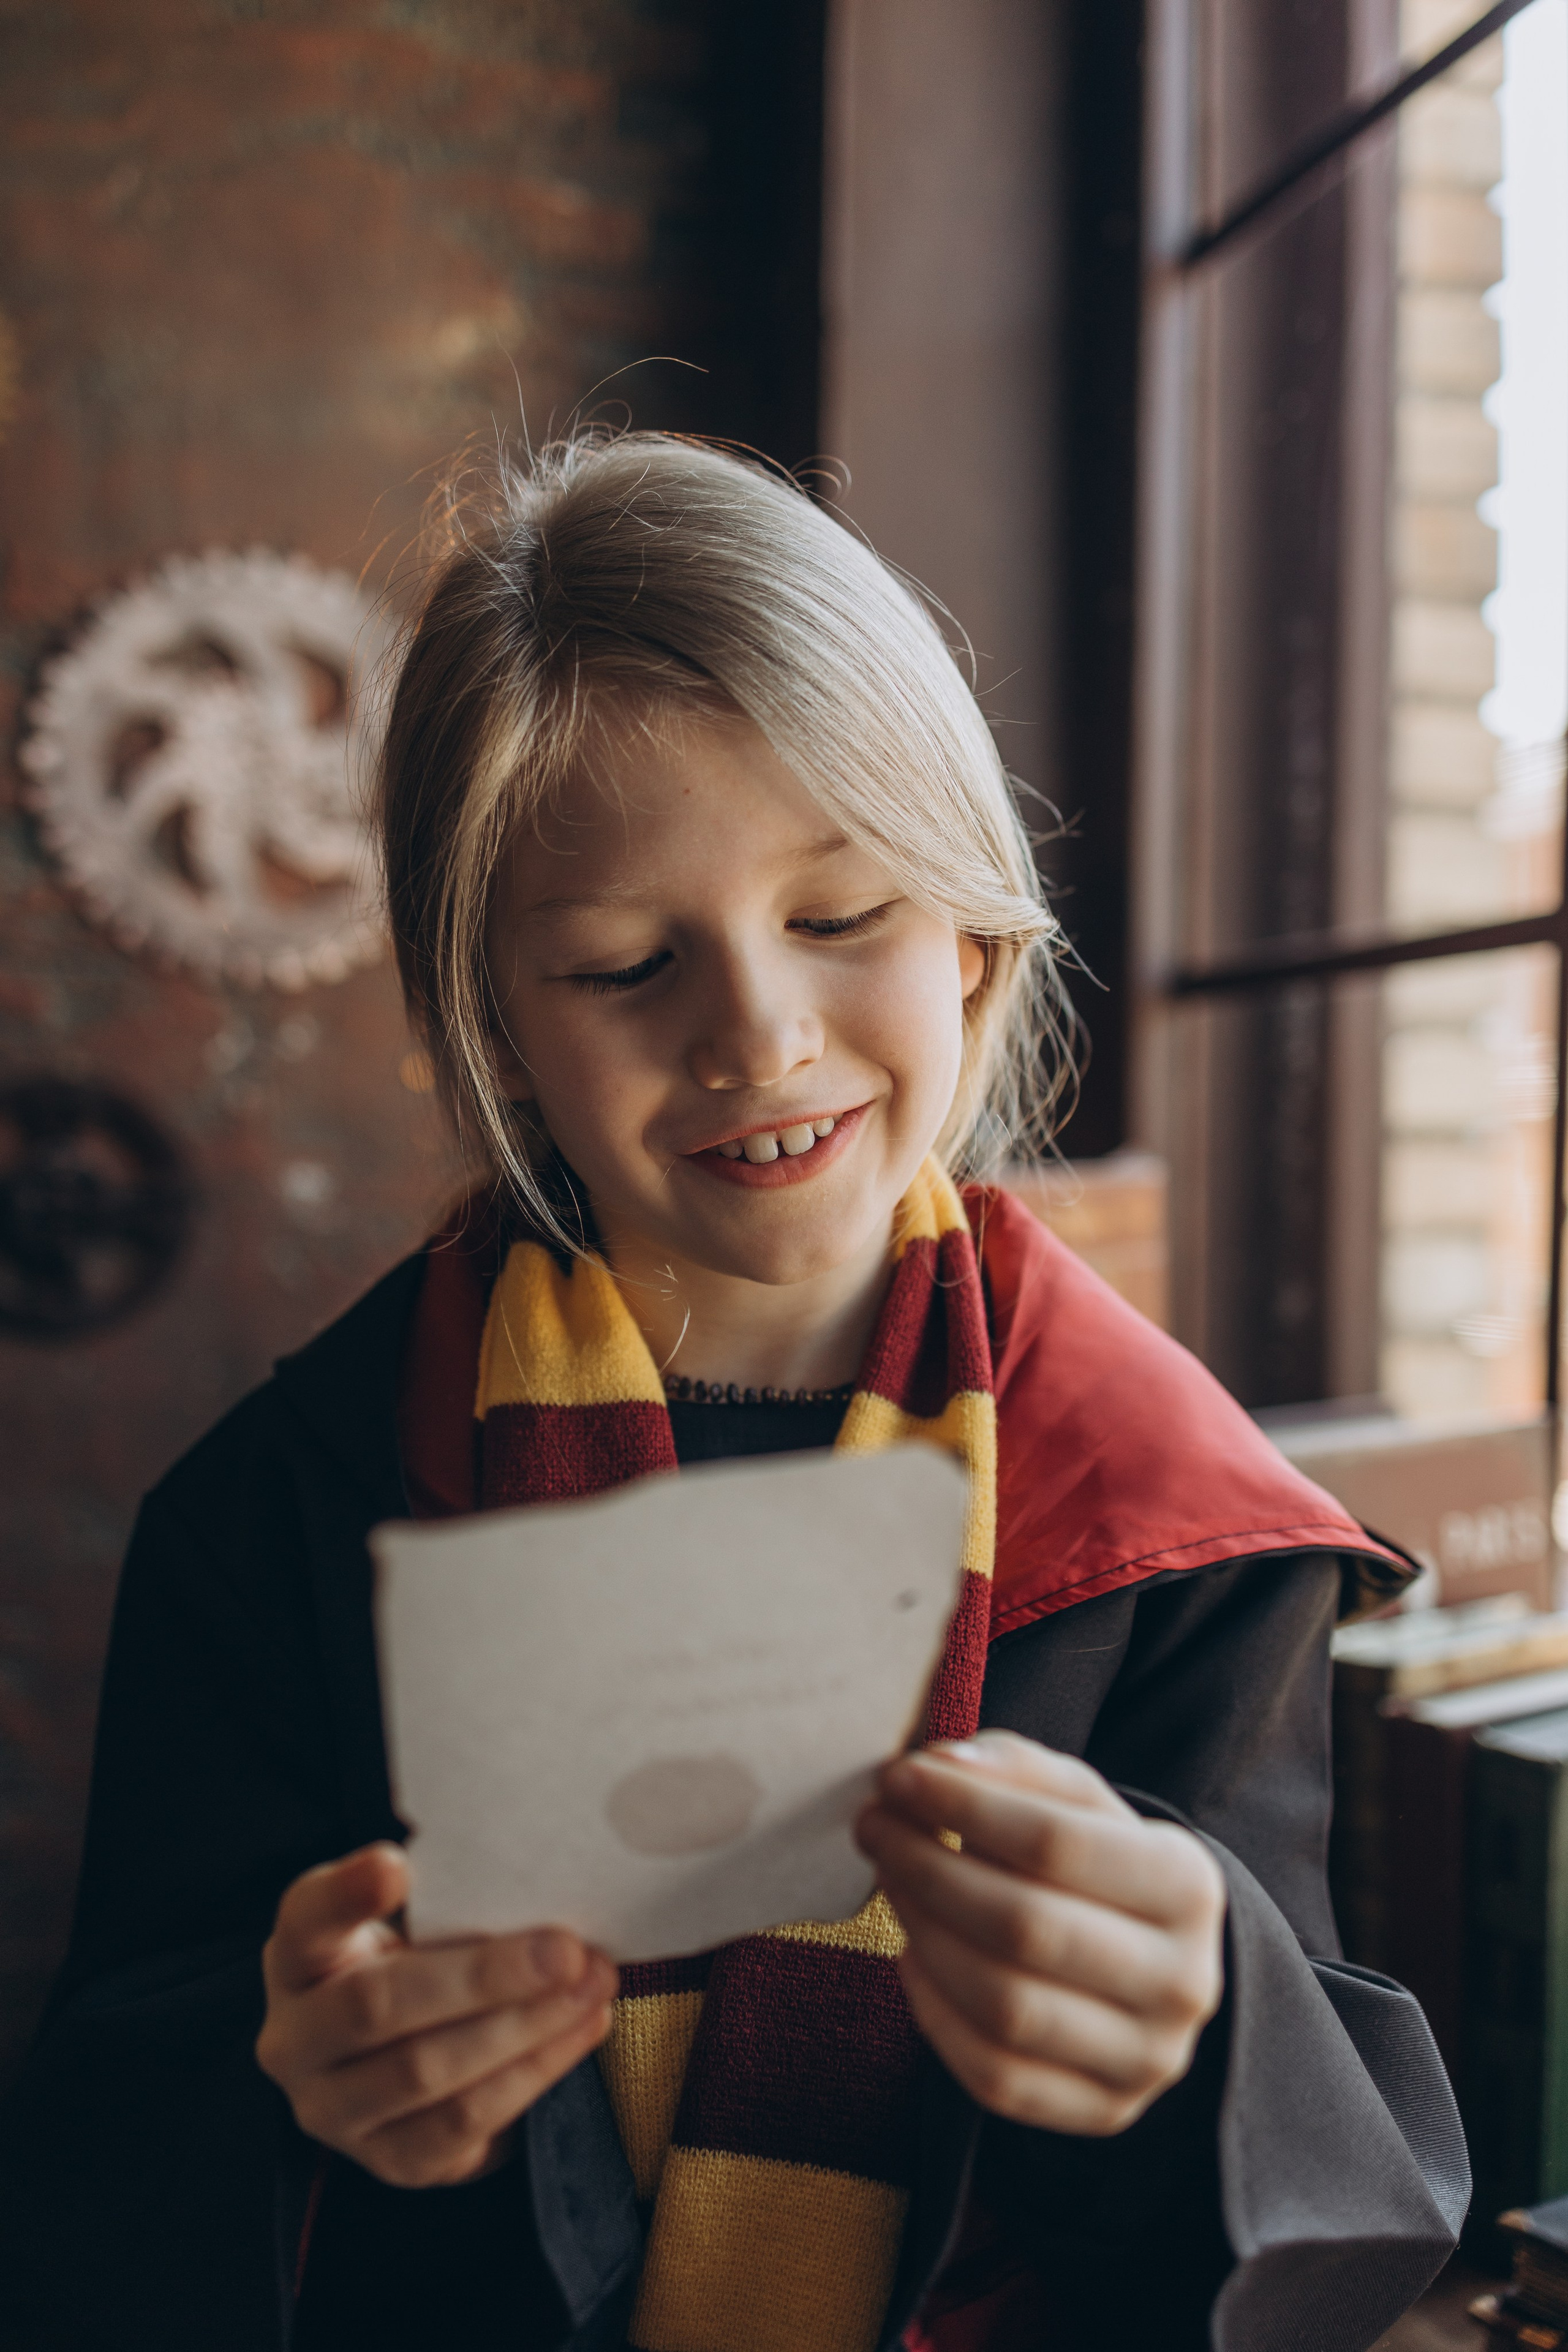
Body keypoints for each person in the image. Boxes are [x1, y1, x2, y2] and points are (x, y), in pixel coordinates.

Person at [0, 434, 1466, 2352]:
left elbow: (1313, 2227)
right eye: (625, 964)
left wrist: (1201, 2029)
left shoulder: (1179, 1533)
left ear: (975, 934)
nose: (759, 1037)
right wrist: (290, 2092)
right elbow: (105, 2172)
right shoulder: (283, 1516)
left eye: (841, 920)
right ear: (497, 1028)